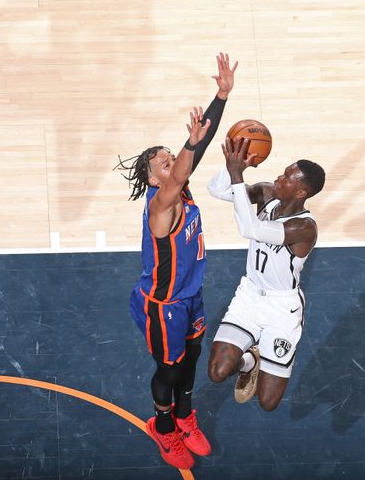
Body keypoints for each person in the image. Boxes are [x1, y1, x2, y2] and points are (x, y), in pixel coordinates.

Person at [118, 53, 237, 470]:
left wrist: (221, 96)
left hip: (191, 296)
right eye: (163, 163)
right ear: (153, 178)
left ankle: (186, 416)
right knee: (168, 370)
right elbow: (189, 158)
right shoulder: (160, 205)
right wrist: (187, 147)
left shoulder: (179, 188)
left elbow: (198, 146)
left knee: (192, 357)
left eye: (173, 158)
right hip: (163, 305)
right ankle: (164, 428)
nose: (173, 164)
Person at [206, 136, 325, 411]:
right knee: (217, 372)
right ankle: (251, 360)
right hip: (248, 296)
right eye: (282, 173)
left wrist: (237, 175)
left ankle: (257, 357)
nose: (278, 179)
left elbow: (252, 230)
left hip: (281, 308)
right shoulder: (267, 193)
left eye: (287, 178)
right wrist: (232, 167)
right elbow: (217, 189)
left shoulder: (304, 228)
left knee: (267, 402)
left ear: (301, 193)